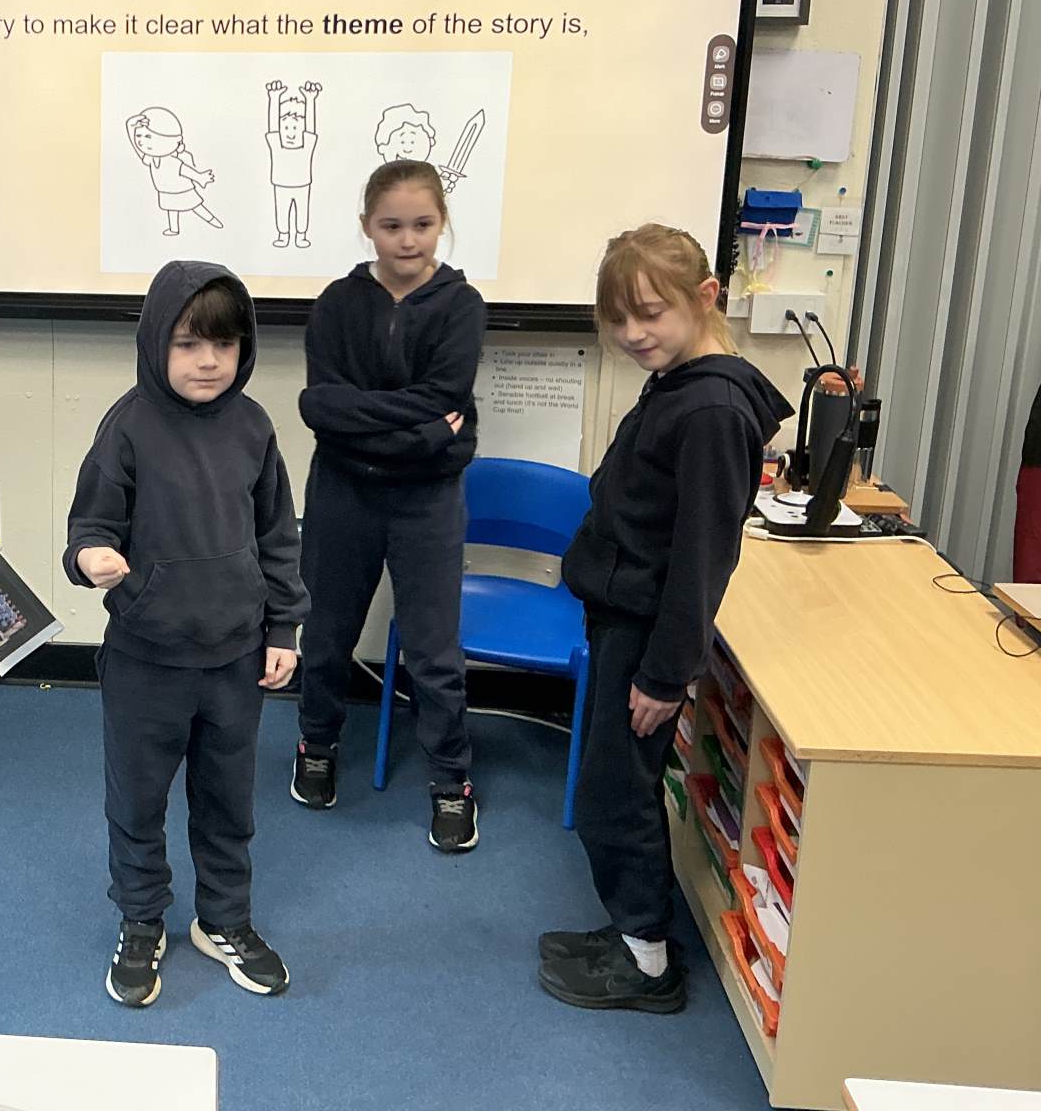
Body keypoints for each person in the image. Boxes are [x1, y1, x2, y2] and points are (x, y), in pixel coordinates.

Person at [538, 224, 790, 1013]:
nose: (631, 333)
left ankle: (647, 962)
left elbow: (702, 559)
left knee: (616, 793)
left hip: (646, 635)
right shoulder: (680, 382)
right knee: (616, 782)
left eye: (649, 313)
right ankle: (631, 934)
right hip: (624, 617)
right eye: (617, 319)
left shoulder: (711, 408)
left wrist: (665, 674)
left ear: (706, 297)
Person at [65, 260, 310, 1008]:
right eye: (187, 344)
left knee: (228, 802)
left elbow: (278, 535)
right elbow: (90, 525)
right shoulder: (128, 426)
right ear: (154, 344)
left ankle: (223, 920)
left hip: (236, 659)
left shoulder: (254, 427)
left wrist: (283, 627)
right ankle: (142, 919)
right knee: (138, 801)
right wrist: (90, 558)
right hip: (147, 660)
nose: (208, 361)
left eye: (224, 344)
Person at [290, 160, 486, 852]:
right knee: (326, 635)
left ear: (442, 224)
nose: (408, 240)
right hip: (344, 492)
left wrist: (379, 419)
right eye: (391, 225)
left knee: (434, 651)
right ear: (367, 226)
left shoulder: (461, 306)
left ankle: (451, 779)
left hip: (427, 500)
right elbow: (319, 405)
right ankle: (316, 743)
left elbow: (444, 395)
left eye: (423, 224)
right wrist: (426, 433)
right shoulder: (337, 304)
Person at [126, 107, 222, 237]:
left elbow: (185, 170)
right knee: (171, 209)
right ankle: (174, 229)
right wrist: (130, 126)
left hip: (181, 190)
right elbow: (137, 150)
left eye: (148, 136)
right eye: (138, 136)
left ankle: (212, 220)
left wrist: (200, 177)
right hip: (166, 192)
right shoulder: (152, 158)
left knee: (196, 207)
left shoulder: (171, 161)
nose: (141, 141)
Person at [264, 80, 322, 249]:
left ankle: (301, 235)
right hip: (281, 185)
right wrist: (274, 99)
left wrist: (310, 100)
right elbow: (273, 127)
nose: (290, 133)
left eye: (295, 128)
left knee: (302, 211)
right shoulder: (276, 144)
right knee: (282, 211)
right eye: (287, 128)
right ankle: (283, 234)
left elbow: (310, 128)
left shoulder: (307, 145)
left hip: (302, 185)